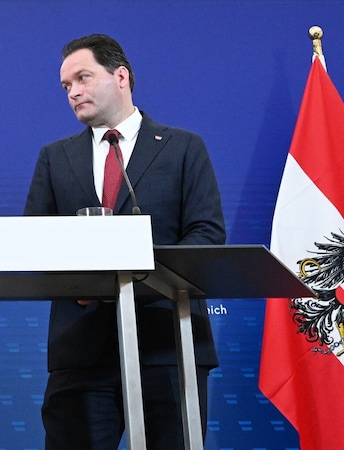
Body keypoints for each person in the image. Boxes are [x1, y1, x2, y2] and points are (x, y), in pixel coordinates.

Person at [23, 34, 226, 449]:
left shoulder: (183, 148)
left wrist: (139, 278)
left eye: (82, 78)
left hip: (169, 344)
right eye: (66, 86)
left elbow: (206, 235)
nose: (73, 92)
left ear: (121, 76)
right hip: (82, 353)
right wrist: (81, 283)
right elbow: (34, 241)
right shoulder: (55, 157)